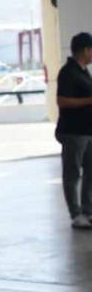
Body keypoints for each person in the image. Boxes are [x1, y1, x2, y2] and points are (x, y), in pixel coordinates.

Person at [55, 32, 92, 229]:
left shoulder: (84, 71)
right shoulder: (68, 72)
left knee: (90, 172)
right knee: (72, 173)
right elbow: (62, 101)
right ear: (85, 50)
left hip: (87, 131)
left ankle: (88, 211)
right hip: (74, 132)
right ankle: (76, 213)